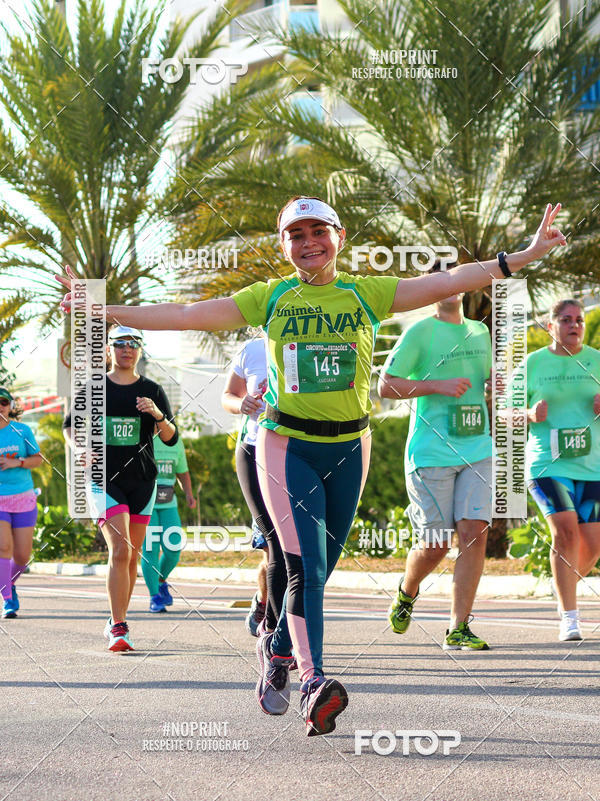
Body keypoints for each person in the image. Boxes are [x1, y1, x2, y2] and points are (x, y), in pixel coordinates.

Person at [57, 199, 565, 735]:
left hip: (351, 446)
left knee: (324, 566)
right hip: (286, 445)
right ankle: (313, 681)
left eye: (317, 230)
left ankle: (275, 649)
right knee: (307, 569)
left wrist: (524, 255)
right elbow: (186, 314)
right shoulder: (271, 297)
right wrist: (104, 311)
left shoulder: (365, 294)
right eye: (294, 234)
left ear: (339, 237)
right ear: (284, 245)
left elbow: (449, 281)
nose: (307, 242)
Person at [378, 265, 493, 650]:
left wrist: (495, 384)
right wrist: (436, 386)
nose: (450, 286)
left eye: (455, 278)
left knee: (475, 532)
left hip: (478, 446)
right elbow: (386, 385)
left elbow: (488, 382)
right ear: (430, 290)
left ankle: (458, 627)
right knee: (436, 544)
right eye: (438, 280)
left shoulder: (480, 331)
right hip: (431, 451)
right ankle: (407, 591)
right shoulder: (419, 332)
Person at [63, 326, 178, 651]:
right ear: (110, 349)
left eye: (133, 344)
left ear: (140, 350)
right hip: (103, 478)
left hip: (142, 481)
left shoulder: (152, 389)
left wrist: (157, 415)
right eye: (120, 344)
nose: (127, 349)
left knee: (131, 558)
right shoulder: (94, 388)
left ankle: (118, 617)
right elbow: (70, 426)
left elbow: (171, 437)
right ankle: (119, 626)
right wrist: (79, 449)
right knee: (121, 550)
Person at [520, 298, 600, 641]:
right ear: (550, 325)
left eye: (579, 320)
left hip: (591, 466)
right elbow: (505, 411)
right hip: (546, 464)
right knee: (565, 531)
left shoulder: (596, 360)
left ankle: (561, 584)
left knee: (593, 548)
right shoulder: (533, 364)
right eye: (566, 319)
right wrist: (528, 415)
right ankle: (569, 618)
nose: (574, 325)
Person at [221, 334, 288, 639]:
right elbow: (228, 396)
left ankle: (285, 627)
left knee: (293, 549)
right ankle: (270, 616)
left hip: (299, 455)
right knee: (273, 545)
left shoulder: (309, 343)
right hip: (257, 453)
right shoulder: (253, 349)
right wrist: (241, 403)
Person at [0, 388, 43, 618]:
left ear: (10, 406)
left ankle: (8, 581)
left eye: (3, 402)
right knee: (3, 548)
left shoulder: (22, 430)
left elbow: (38, 459)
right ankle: (7, 599)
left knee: (22, 557)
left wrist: (18, 463)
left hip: (24, 498)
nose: (0, 406)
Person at [142, 430, 196, 613]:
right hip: (144, 504)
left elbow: (183, 471)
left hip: (168, 503)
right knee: (151, 549)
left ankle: (161, 580)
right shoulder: (143, 438)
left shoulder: (176, 441)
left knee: (173, 548)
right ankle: (154, 596)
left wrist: (189, 493)